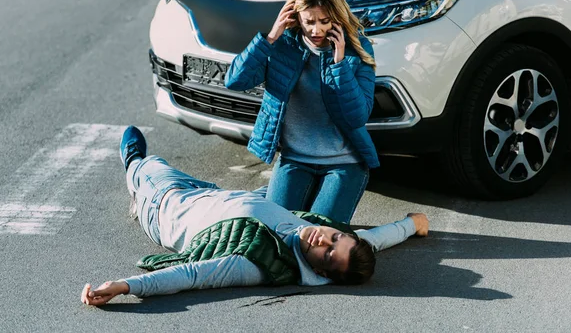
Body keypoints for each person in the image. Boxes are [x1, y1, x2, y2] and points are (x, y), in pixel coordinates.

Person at [80, 127, 428, 306]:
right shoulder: (331, 240)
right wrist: (411, 225)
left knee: (149, 165)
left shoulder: (255, 264)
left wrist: (124, 287)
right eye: (336, 237)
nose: (324, 238)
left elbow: (190, 275)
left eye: (327, 251)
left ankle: (133, 167)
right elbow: (373, 239)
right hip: (218, 193)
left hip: (166, 205)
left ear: (320, 272)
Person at [225, 0, 378, 224]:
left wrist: (339, 64)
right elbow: (235, 81)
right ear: (296, 17)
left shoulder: (358, 50)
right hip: (295, 159)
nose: (316, 30)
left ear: (337, 19)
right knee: (275, 230)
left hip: (344, 164)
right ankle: (270, 198)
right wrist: (270, 38)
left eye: (324, 21)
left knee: (316, 237)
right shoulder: (283, 45)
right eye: (309, 21)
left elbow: (358, 116)